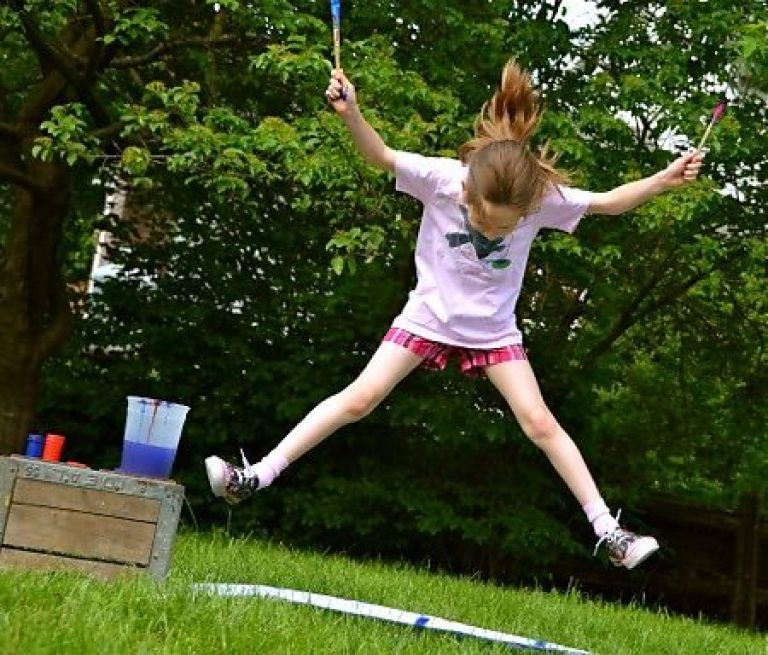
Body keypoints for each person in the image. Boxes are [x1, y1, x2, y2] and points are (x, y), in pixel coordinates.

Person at [205, 60, 704, 569]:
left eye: (505, 226)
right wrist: (351, 112)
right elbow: (379, 155)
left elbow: (608, 203)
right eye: (486, 219)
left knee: (539, 422)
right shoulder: (443, 179)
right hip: (429, 315)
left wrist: (663, 180)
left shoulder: (538, 200)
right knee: (361, 398)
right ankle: (254, 476)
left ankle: (610, 533)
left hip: (494, 331)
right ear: (468, 191)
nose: (493, 230)